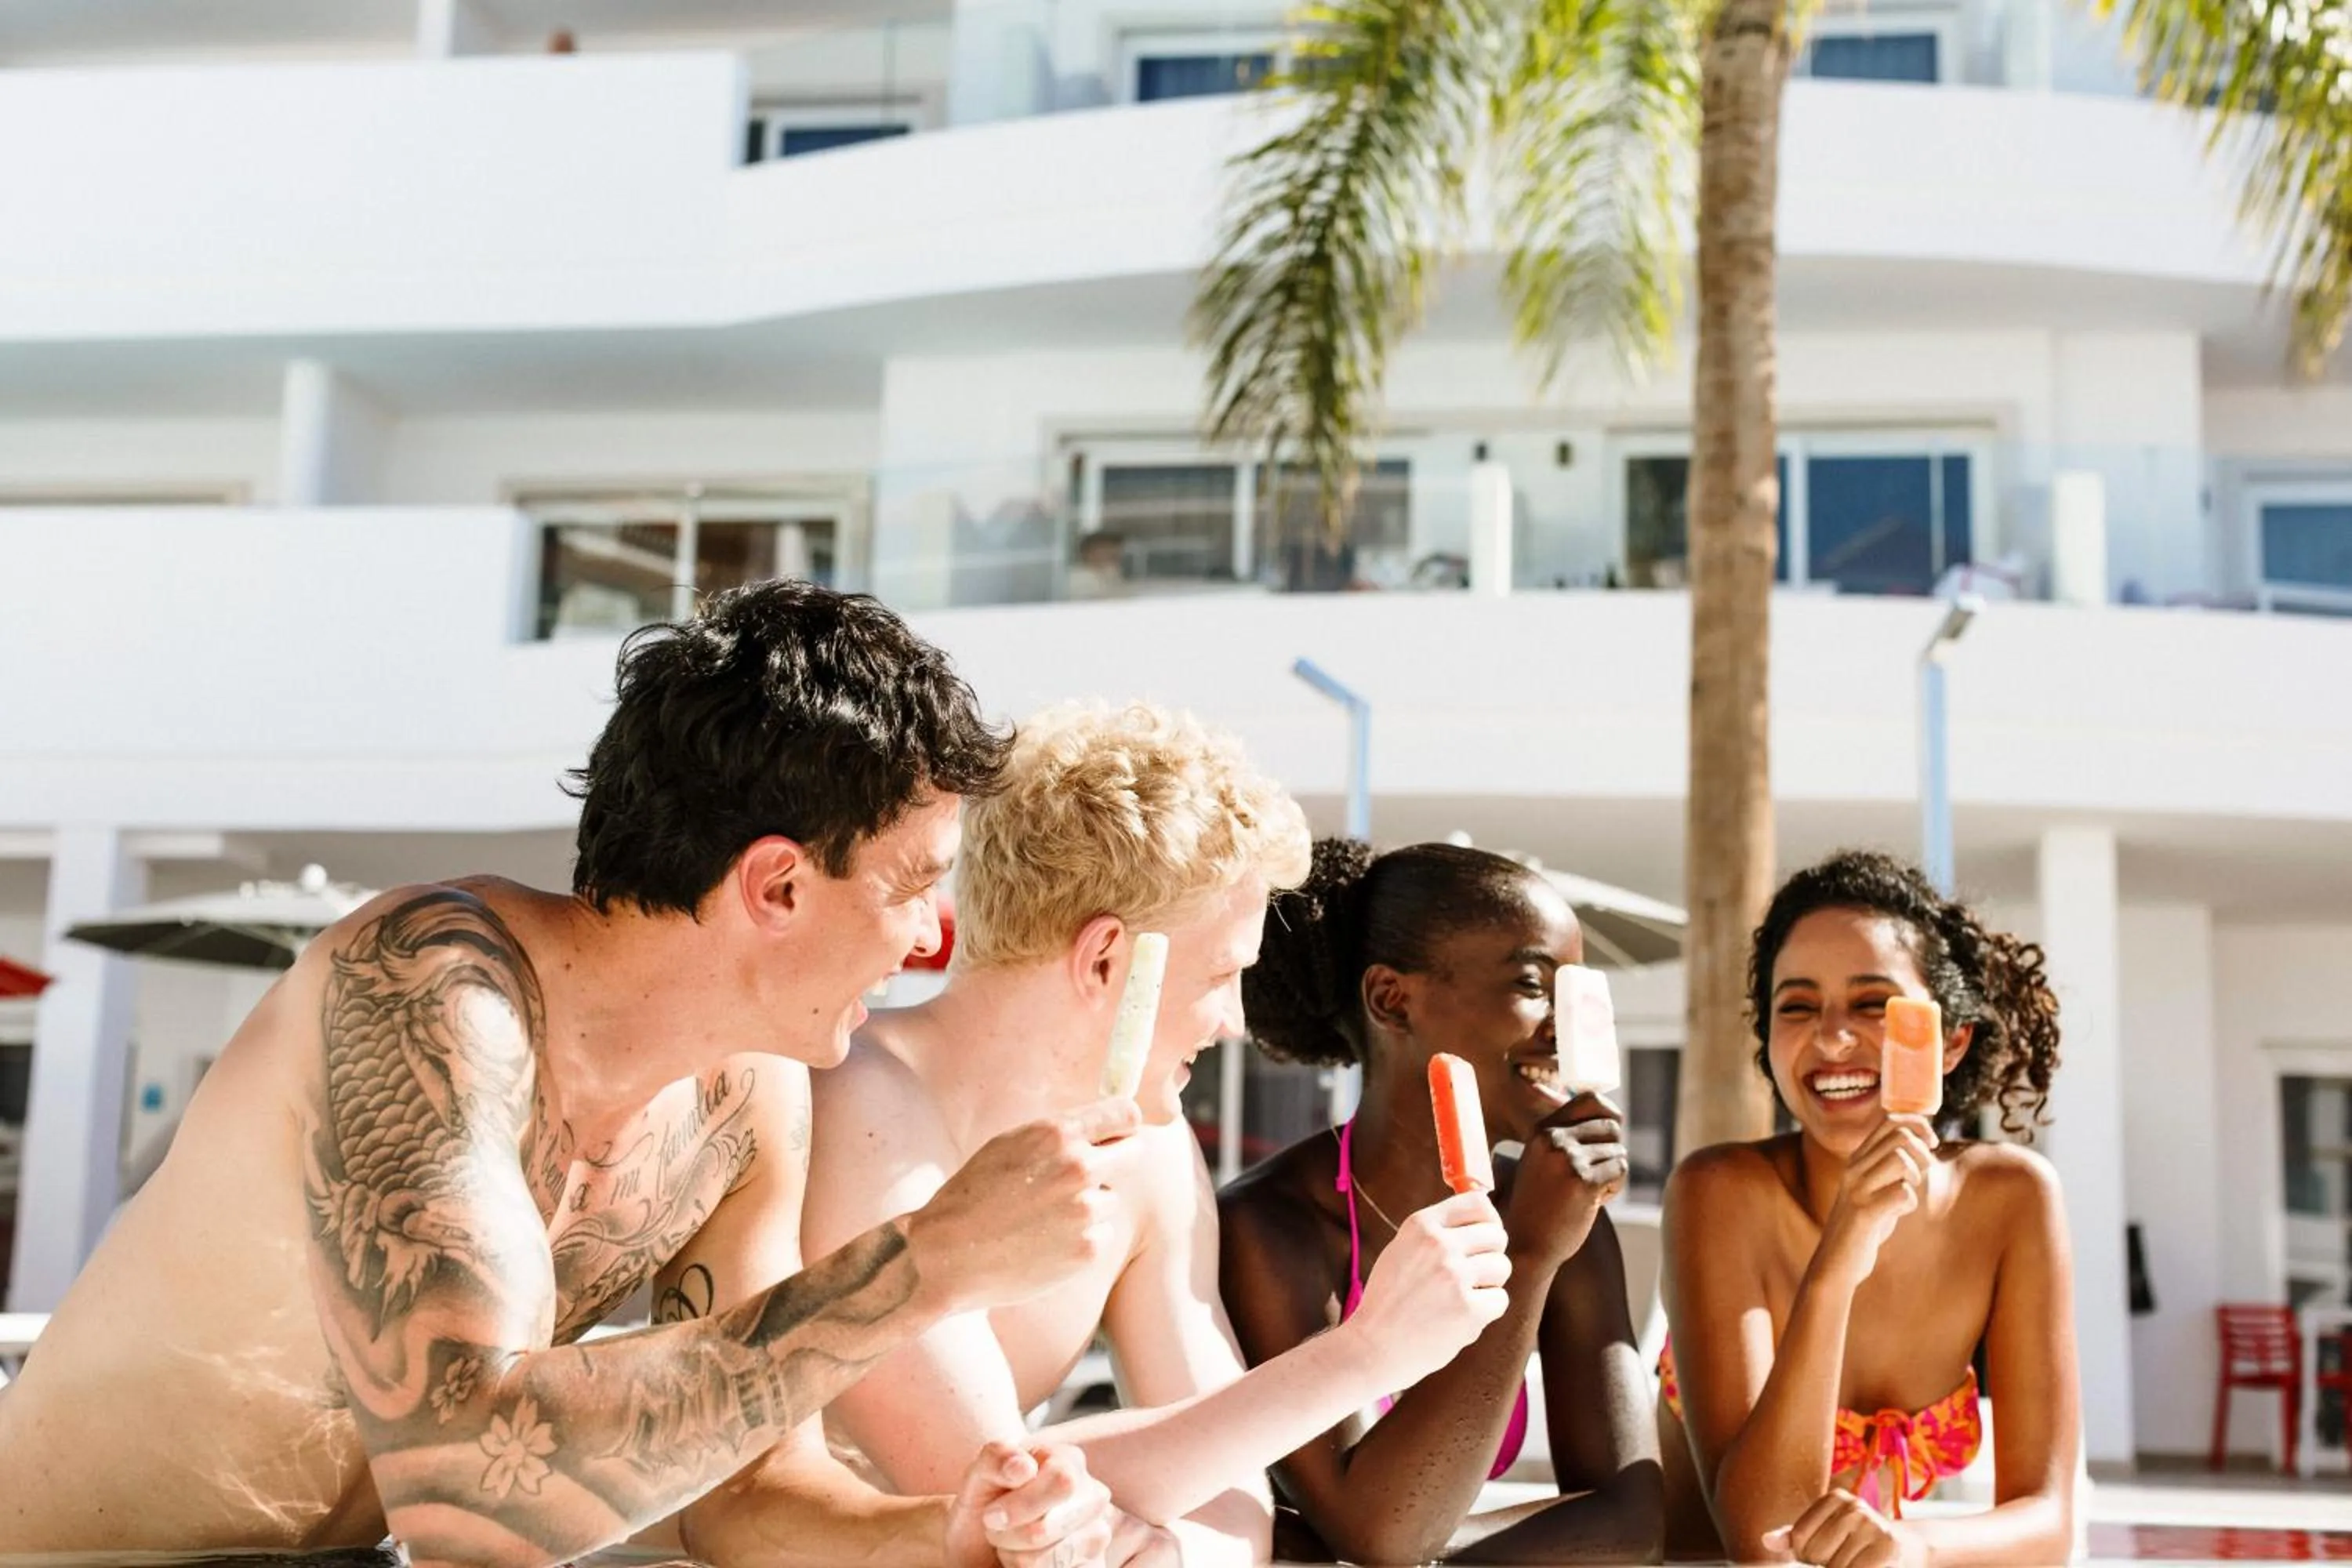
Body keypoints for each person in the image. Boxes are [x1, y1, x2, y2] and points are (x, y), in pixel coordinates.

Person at [0, 583, 1126, 1568]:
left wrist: (950, 1537)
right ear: (777, 887)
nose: (926, 938)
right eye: (910, 885)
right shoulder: (432, 989)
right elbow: (460, 1484)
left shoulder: (745, 1100)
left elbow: (747, 1498)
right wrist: (923, 1267)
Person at [778, 706, 1516, 1566]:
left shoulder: (1155, 1157)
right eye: (1223, 975)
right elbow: (987, 1487)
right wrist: (1362, 1354)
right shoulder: (857, 1104)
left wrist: (1165, 1553)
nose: (1236, 1022)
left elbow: (1238, 1503)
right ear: (1105, 962)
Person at [1218, 839, 1663, 1566]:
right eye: (1533, 985)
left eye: (1577, 994)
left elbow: (1633, 1522)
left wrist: (1414, 1554)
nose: (1568, 1025)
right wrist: (1525, 1255)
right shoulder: (1272, 1230)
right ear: (1393, 1000)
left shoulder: (1561, 1213)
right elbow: (1380, 1529)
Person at [1658, 849, 2078, 1566]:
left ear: (1948, 1040)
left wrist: (1913, 1546)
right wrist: (1838, 1262)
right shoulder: (1720, 1192)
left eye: (1871, 1003)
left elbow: (2049, 1523)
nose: (1830, 1037)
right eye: (1796, 1006)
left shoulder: (2011, 1200)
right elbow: (1761, 1537)